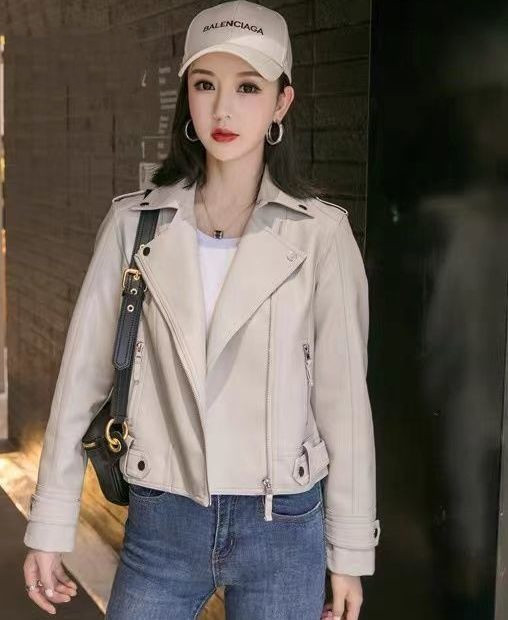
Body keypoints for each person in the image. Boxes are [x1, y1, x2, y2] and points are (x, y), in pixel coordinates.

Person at [22, 1, 381, 618]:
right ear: (186, 94)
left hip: (282, 524)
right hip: (163, 518)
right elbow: (81, 380)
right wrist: (51, 522)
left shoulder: (320, 236)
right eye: (205, 84)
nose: (223, 109)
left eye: (248, 87)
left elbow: (344, 405)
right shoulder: (136, 224)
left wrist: (348, 551)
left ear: (282, 103)